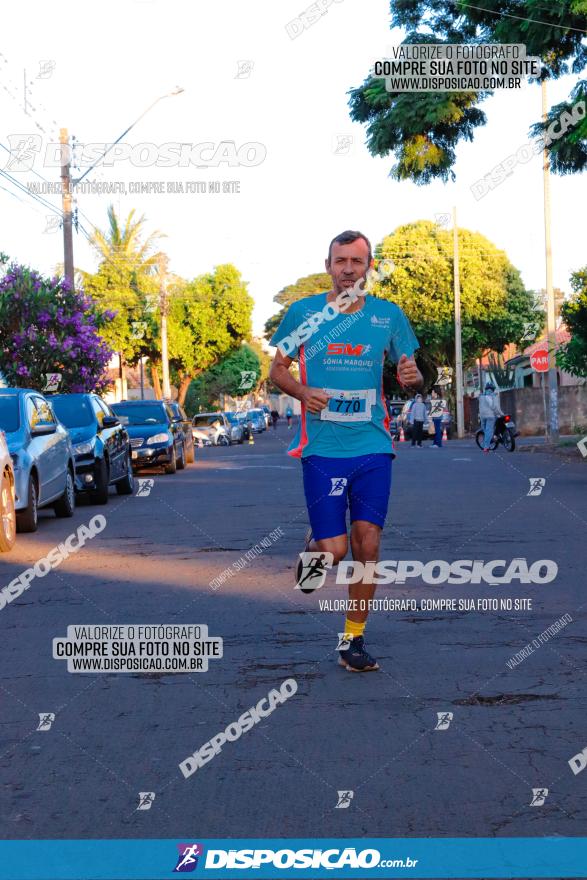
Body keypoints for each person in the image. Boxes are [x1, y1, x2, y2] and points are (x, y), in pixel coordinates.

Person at [269, 229, 423, 672]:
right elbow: (276, 371)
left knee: (367, 546)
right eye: (341, 261)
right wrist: (301, 390)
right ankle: (315, 547)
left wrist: (412, 375)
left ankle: (352, 641)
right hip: (322, 448)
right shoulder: (303, 314)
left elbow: (412, 370)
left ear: (368, 267)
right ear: (328, 266)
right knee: (333, 551)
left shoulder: (388, 316)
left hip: (374, 445)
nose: (349, 269)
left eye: (357, 261)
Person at [479, 381, 503, 453]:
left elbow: (480, 406)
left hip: (482, 416)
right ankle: (486, 447)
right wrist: (500, 413)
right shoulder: (493, 396)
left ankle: (490, 440)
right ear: (493, 389)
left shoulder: (481, 396)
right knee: (489, 430)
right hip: (491, 416)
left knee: (485, 430)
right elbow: (495, 407)